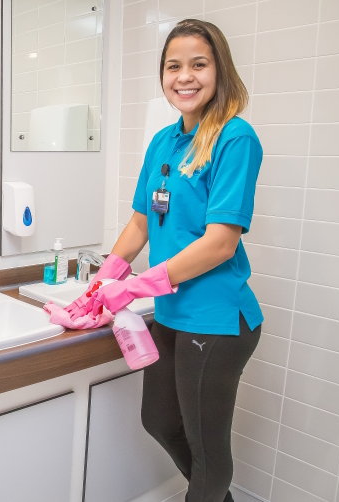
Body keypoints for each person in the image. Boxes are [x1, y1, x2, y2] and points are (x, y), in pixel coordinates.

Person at [62, 19, 262, 502]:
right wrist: (103, 280)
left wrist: (135, 286)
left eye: (199, 64)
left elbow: (221, 243)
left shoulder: (236, 139)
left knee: (208, 450)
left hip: (216, 320)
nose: (184, 76)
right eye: (174, 66)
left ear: (220, 71)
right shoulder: (163, 143)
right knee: (158, 421)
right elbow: (139, 225)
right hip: (172, 312)